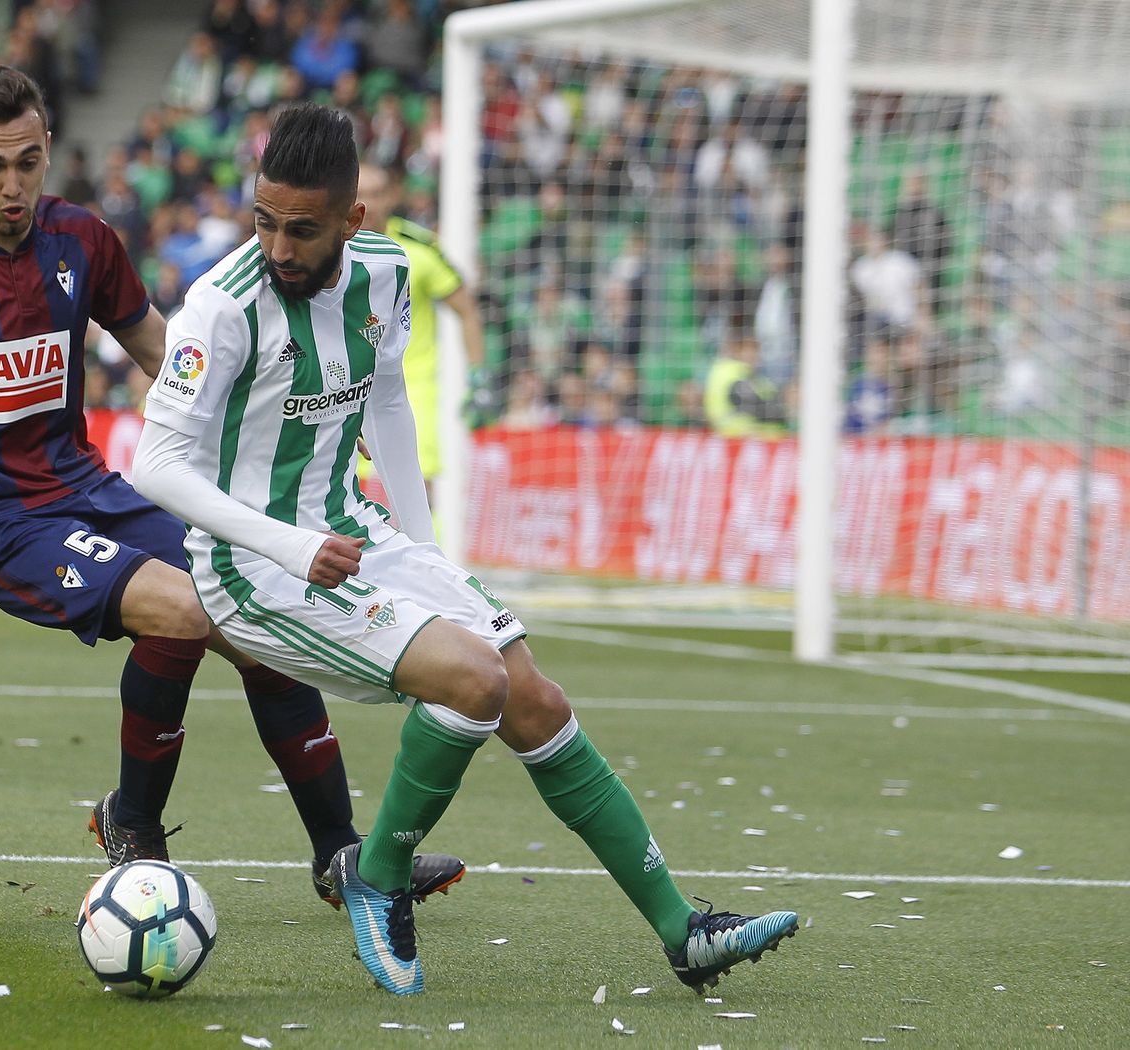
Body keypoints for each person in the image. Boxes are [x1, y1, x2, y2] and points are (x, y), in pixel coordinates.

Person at [132, 104, 799, 997]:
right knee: (474, 679)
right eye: (264, 220)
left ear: (351, 221)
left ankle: (684, 931)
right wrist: (286, 544)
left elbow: (388, 399)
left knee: (532, 695)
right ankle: (373, 872)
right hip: (253, 569)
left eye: (302, 229)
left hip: (358, 532)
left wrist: (423, 548)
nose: (279, 247)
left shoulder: (386, 272)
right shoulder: (218, 307)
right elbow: (154, 465)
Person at [0, 67, 462, 909]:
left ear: (49, 151)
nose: (12, 185)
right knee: (188, 609)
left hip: (87, 489)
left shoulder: (83, 241)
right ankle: (134, 821)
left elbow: (165, 359)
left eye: (28, 162)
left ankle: (338, 858)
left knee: (260, 610)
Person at [354, 162, 485, 521]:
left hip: (414, 388)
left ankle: (433, 567)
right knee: (347, 488)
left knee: (421, 489)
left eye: (377, 193)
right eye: (360, 193)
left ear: (392, 196)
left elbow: (467, 309)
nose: (368, 203)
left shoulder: (419, 249)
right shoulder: (327, 249)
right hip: (347, 386)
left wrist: (478, 377)